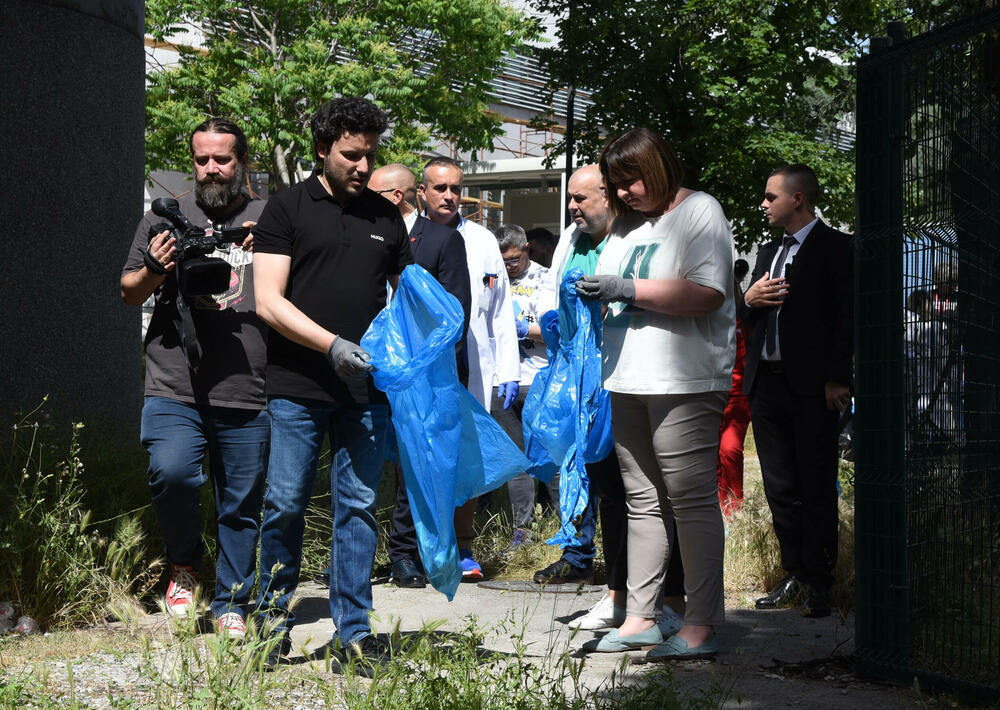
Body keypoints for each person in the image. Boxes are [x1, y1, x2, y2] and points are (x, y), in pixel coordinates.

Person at [252, 97, 413, 672]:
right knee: (284, 503)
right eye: (350, 155)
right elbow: (268, 301)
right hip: (296, 386)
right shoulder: (286, 207)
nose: (363, 166)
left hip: (365, 392)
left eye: (369, 155)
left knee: (359, 509)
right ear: (322, 149)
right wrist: (331, 345)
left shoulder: (386, 218)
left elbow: (408, 299)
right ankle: (270, 627)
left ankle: (354, 636)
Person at [577, 127, 734, 661]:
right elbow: (613, 290)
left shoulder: (699, 211)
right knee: (641, 502)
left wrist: (627, 289)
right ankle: (640, 618)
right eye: (615, 184)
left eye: (631, 180)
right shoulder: (626, 227)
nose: (623, 193)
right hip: (627, 378)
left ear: (659, 167)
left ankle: (701, 624)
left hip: (683, 380)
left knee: (690, 501)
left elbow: (708, 293)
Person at [120, 118, 268, 638]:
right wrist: (156, 269)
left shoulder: (268, 219)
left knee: (241, 502)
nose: (211, 169)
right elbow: (129, 292)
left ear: (241, 162)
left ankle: (231, 601)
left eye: (222, 159)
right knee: (173, 474)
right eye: (202, 159)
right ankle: (183, 564)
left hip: (246, 382)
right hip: (173, 381)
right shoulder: (163, 217)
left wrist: (269, 253)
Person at [740, 164, 853, 619]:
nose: (763, 204)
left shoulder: (836, 247)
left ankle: (819, 580)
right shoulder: (768, 251)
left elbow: (846, 317)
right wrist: (748, 301)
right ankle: (794, 573)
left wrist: (837, 378)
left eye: (771, 196)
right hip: (766, 384)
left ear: (798, 199)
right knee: (779, 485)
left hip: (811, 387)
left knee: (816, 482)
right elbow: (751, 315)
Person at [530, 165, 628, 624]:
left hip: (617, 378)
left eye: (580, 198)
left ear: (607, 196)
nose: (571, 207)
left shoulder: (626, 241)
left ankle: (624, 587)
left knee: (617, 485)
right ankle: (579, 555)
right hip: (577, 378)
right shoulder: (573, 241)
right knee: (580, 469)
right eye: (570, 198)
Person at [368, 163, 472, 589]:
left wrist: (429, 374)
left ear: (396, 196)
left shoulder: (443, 240)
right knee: (364, 460)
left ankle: (405, 554)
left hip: (422, 375)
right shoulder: (365, 236)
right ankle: (356, 553)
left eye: (371, 193)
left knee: (415, 464)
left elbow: (453, 314)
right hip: (372, 366)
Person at [419, 156, 520, 579]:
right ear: (422, 192)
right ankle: (423, 547)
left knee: (466, 457)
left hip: (472, 366)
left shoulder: (481, 240)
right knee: (423, 457)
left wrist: (508, 369)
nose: (449, 196)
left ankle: (463, 546)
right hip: (421, 369)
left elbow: (500, 309)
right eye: (440, 188)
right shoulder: (408, 236)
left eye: (456, 189)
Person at [489, 224, 558, 546]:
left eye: (514, 260)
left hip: (538, 379)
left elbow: (557, 331)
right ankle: (522, 530)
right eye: (503, 261)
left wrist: (523, 330)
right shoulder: (491, 279)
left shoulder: (546, 278)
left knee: (549, 455)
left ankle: (564, 526)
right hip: (502, 382)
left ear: (526, 248)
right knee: (516, 461)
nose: (508, 267)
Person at [717, 258, 752, 515]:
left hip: (739, 393)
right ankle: (719, 506)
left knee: (729, 449)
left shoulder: (744, 321)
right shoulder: (710, 322)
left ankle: (733, 508)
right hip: (713, 391)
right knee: (713, 454)